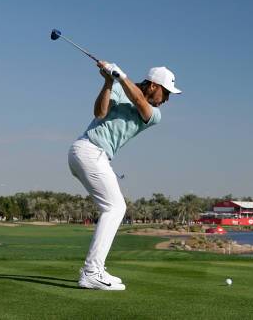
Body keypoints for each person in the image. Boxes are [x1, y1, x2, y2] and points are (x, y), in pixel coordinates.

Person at [68, 61, 181, 290]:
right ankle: (91, 271)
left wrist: (119, 77)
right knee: (115, 208)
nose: (167, 99)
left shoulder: (154, 114)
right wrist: (109, 82)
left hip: (94, 155)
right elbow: (99, 113)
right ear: (152, 85)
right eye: (165, 92)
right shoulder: (119, 87)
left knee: (113, 208)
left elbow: (139, 101)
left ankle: (95, 268)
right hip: (88, 150)